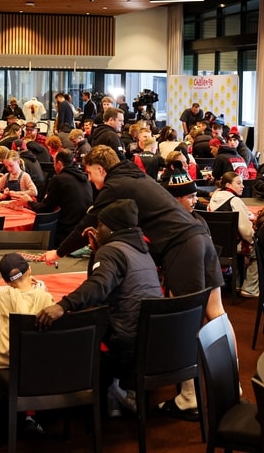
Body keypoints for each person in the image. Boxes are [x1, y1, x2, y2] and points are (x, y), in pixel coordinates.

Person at [41, 145, 226, 419]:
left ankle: (189, 396)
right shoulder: (135, 175)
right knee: (216, 313)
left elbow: (89, 222)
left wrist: (58, 251)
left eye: (91, 173)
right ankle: (230, 384)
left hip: (180, 246)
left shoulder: (115, 185)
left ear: (101, 169)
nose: (90, 180)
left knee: (185, 318)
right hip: (200, 234)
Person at [36, 200, 163, 416]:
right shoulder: (141, 250)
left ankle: (54, 408)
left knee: (65, 332)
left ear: (112, 228)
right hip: (151, 342)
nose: (96, 229)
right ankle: (115, 396)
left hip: (123, 346)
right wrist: (98, 250)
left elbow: (98, 286)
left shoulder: (113, 250)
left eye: (100, 225)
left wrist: (63, 305)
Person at [0, 252, 55, 438]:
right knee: (31, 364)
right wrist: (39, 289)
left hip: (7, 359)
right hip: (37, 362)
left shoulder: (3, 297)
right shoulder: (45, 298)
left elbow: (18, 304)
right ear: (29, 270)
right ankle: (30, 417)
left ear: (6, 282)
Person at [20, 149, 93, 245]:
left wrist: (29, 201)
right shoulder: (84, 177)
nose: (53, 166)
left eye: (54, 162)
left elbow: (44, 208)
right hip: (82, 230)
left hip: (64, 233)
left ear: (59, 163)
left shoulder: (59, 180)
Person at [209, 172, 256, 297]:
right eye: (239, 183)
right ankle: (250, 288)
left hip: (216, 246)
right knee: (259, 248)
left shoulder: (213, 198)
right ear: (228, 184)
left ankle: (236, 283)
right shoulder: (234, 201)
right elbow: (246, 231)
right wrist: (254, 240)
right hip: (234, 247)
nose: (243, 186)